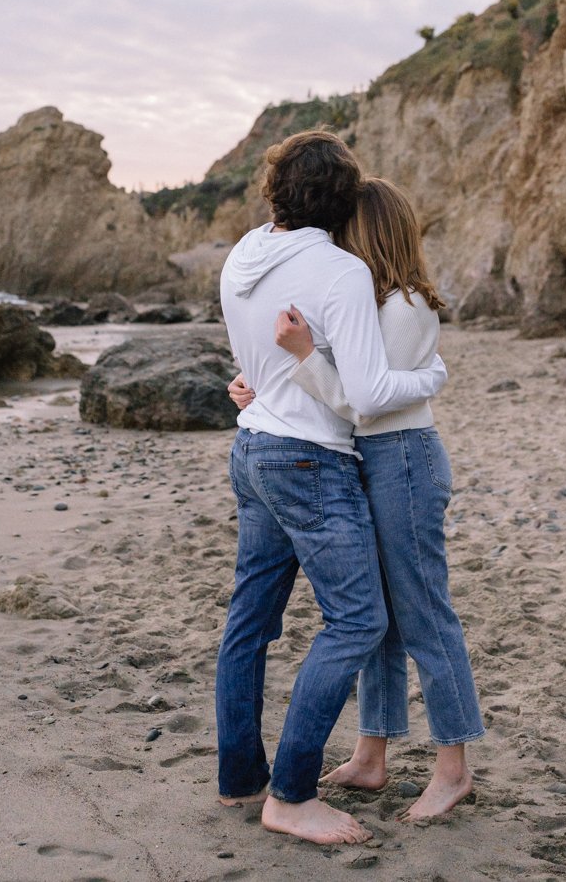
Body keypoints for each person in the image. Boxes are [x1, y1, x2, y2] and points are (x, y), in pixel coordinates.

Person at [215, 132, 448, 847]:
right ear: (344, 197)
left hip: (251, 447)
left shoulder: (241, 257)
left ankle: (239, 779)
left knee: (250, 620)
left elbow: (253, 361)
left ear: (275, 189)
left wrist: (258, 385)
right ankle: (288, 794)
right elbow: (374, 394)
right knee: (357, 622)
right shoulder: (339, 271)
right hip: (311, 462)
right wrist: (434, 376)